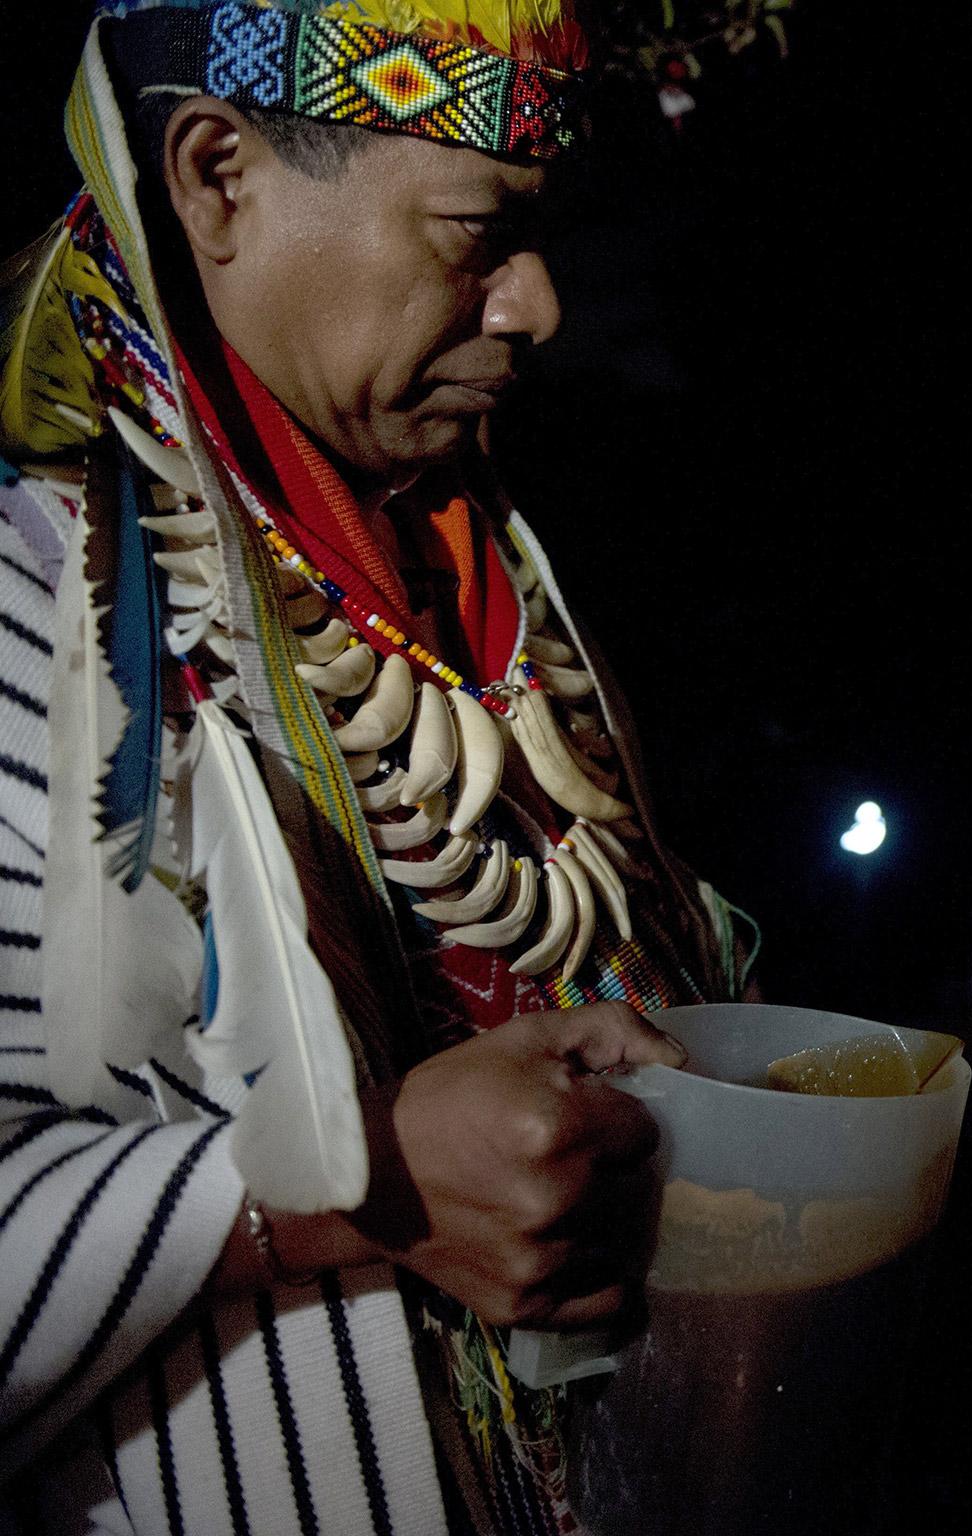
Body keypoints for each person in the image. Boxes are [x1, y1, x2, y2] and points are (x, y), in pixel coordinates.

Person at [1, 5, 758, 1532]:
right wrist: (350, 1190)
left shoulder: (478, 578)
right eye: (475, 232)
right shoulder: (42, 598)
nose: (536, 303)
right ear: (218, 177)